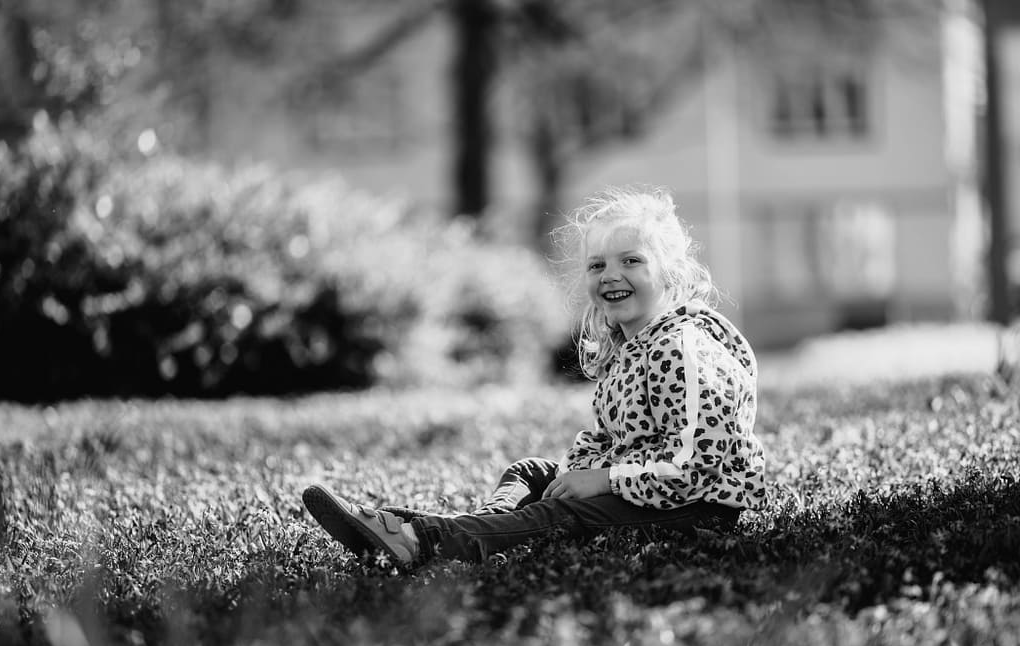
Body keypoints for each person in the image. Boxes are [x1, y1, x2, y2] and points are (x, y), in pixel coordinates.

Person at [302, 185, 767, 566]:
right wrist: (582, 471)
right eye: (597, 265)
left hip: (693, 506)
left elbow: (695, 464)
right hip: (643, 486)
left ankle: (425, 540)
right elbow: (606, 437)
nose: (611, 275)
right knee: (532, 474)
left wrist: (604, 481)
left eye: (631, 261)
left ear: (669, 271)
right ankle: (467, 532)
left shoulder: (681, 350)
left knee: (561, 511)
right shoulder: (630, 347)